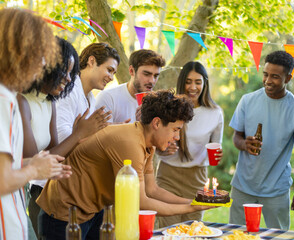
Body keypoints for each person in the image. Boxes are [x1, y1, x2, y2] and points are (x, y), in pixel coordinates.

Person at [37, 90, 213, 240]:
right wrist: (192, 207)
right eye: (175, 130)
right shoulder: (130, 143)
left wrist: (193, 201)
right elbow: (142, 202)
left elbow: (152, 190)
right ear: (157, 123)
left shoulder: (146, 143)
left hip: (91, 210)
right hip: (64, 213)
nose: (177, 137)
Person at [17, 37, 108, 238]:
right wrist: (78, 134)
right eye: (64, 71)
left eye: (71, 73)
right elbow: (35, 165)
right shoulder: (21, 101)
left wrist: (83, 135)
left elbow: (56, 156)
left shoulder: (49, 103)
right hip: (20, 190)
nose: (68, 79)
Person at [0, 8, 71, 240]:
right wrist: (34, 169)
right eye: (41, 54)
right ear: (20, 51)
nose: (43, 64)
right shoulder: (4, 100)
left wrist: (37, 163)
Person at [228, 51, 294, 230]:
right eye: (265, 74)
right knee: (236, 235)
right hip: (243, 185)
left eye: (275, 76)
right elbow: (236, 137)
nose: (267, 80)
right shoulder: (247, 100)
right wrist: (244, 144)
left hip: (277, 189)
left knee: (279, 236)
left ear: (288, 77)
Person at [156, 61, 224, 228]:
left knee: (193, 230)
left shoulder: (215, 113)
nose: (192, 87)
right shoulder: (169, 108)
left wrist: (217, 155)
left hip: (197, 178)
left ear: (204, 84)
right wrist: (163, 150)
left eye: (198, 82)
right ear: (181, 82)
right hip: (168, 177)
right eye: (188, 81)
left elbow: (215, 147)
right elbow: (155, 143)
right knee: (168, 230)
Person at [56, 42, 119, 143]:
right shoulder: (69, 89)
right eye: (109, 70)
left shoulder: (90, 98)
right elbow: (61, 135)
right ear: (92, 61)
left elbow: (87, 133)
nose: (111, 78)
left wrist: (113, 130)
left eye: (113, 73)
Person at [95, 49, 165, 123]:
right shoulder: (108, 98)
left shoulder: (159, 104)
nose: (152, 81)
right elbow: (100, 134)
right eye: (146, 74)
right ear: (131, 71)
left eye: (156, 76)